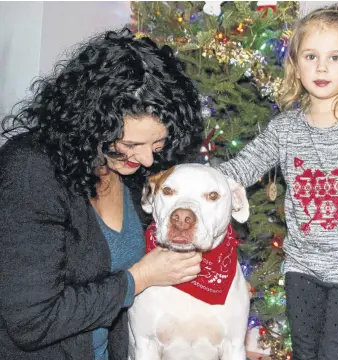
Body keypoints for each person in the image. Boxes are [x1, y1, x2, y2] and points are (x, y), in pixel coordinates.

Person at [216, 4, 338, 360]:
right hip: (301, 268)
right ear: (295, 64)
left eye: (335, 57)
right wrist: (206, 181)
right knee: (306, 352)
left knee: (336, 354)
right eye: (311, 56)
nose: (321, 67)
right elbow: (246, 164)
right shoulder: (285, 128)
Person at [0, 28, 204, 359]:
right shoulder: (30, 171)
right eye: (132, 144)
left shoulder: (130, 171)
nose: (148, 159)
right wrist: (138, 279)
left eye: (158, 143)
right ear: (92, 123)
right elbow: (32, 322)